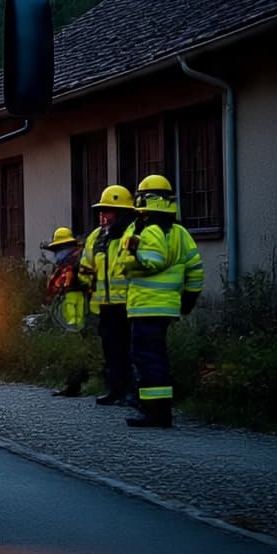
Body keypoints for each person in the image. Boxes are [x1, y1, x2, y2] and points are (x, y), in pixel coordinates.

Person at [114, 174, 204, 429]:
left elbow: (151, 262)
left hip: (146, 307)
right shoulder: (180, 233)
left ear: (145, 199)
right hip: (164, 308)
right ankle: (155, 409)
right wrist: (189, 299)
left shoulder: (147, 230)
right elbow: (196, 270)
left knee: (147, 358)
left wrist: (130, 260)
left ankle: (156, 413)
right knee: (153, 356)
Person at [78, 185, 136, 406]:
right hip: (105, 305)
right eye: (101, 211)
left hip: (130, 304)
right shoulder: (97, 237)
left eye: (108, 210)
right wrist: (83, 280)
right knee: (111, 350)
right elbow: (86, 266)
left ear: (121, 212)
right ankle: (115, 390)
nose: (103, 215)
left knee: (130, 350)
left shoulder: (133, 233)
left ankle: (132, 392)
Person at [40, 226, 89, 396]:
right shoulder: (66, 264)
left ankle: (76, 384)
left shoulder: (77, 262)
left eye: (59, 249)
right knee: (71, 349)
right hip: (68, 314)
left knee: (77, 349)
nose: (57, 254)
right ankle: (72, 384)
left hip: (77, 315)